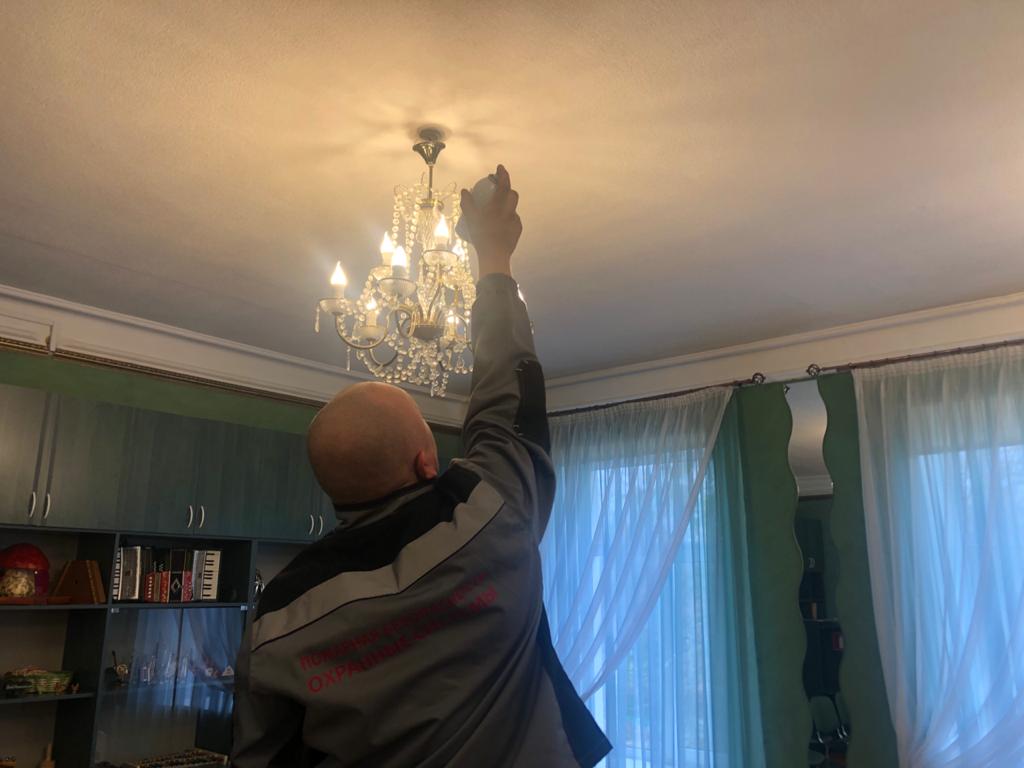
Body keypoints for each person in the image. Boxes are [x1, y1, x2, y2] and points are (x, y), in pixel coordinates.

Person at [232, 165, 611, 767]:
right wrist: (492, 256)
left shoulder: (278, 617)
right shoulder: (489, 518)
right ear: (426, 459)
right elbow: (508, 399)